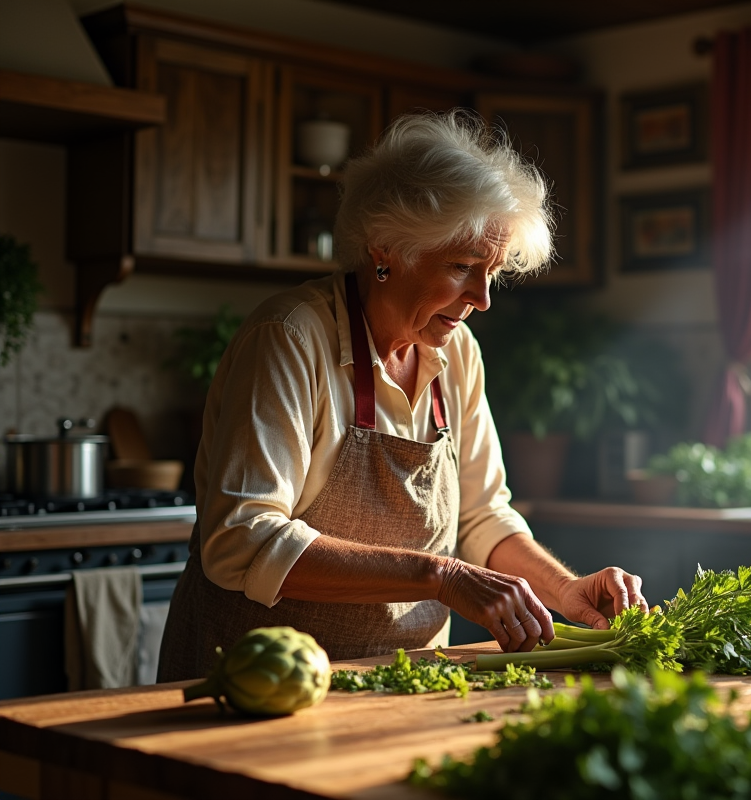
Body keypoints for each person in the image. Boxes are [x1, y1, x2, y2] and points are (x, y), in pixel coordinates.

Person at [158, 112, 648, 681]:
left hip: (401, 677)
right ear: (385, 248)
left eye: (490, 272)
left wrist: (566, 591)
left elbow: (481, 515)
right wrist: (440, 576)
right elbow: (241, 540)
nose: (482, 299)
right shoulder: (291, 337)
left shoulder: (456, 352)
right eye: (462, 267)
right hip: (255, 682)